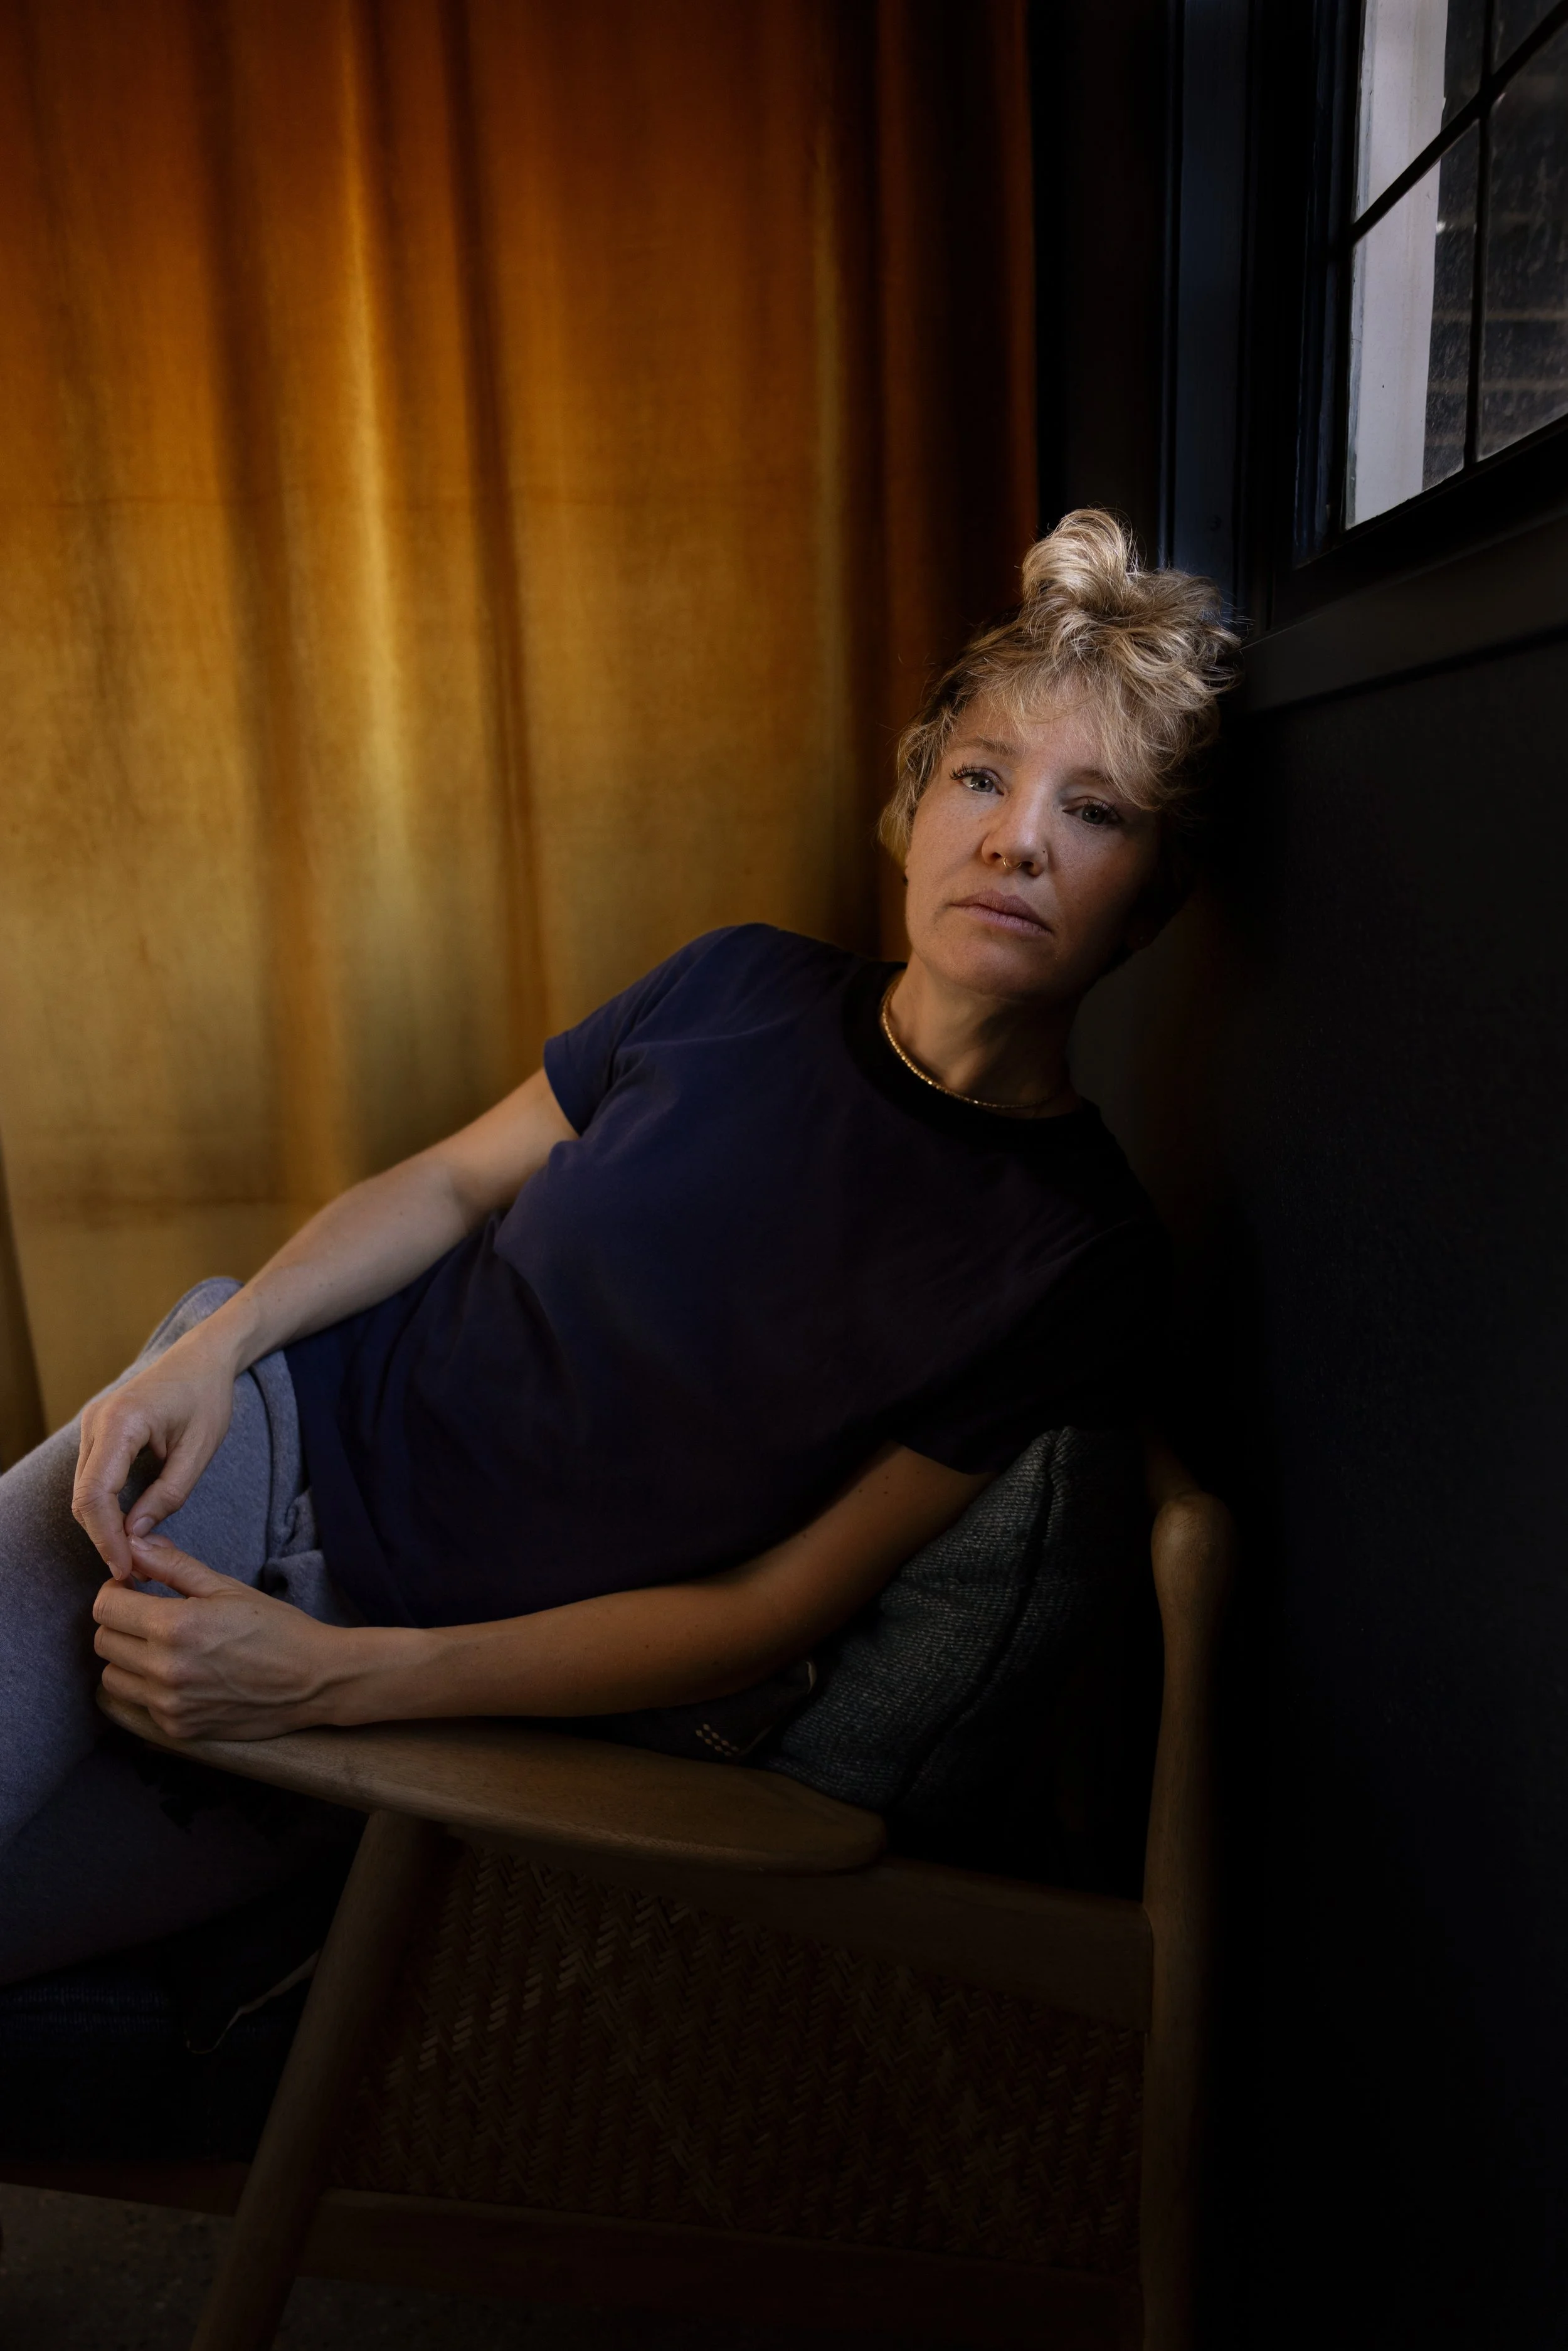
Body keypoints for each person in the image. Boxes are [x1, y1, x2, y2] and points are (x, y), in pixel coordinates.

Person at [0, 509, 1238, 1983]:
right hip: (275, 1431)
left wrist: (331, 1676)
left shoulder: (1076, 1256)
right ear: (914, 811)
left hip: (441, 1670)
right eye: (979, 774)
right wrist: (221, 1344)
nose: (1015, 836)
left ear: (1150, 901)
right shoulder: (738, 979)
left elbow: (762, 1614)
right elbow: (454, 1183)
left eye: (1093, 811)